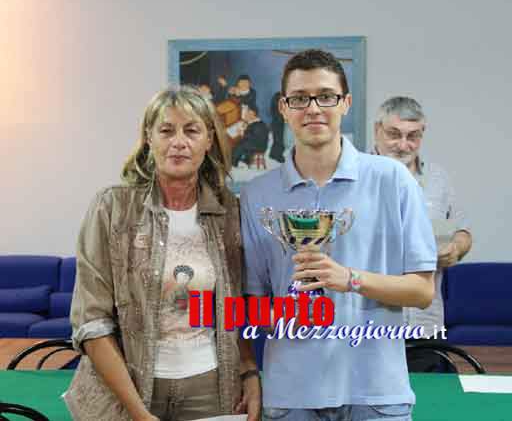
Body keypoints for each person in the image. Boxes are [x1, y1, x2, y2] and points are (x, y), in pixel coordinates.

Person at [240, 49, 437, 421]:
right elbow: (253, 304)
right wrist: (286, 312)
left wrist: (350, 279)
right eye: (300, 98)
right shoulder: (256, 195)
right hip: (291, 397)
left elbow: (422, 291)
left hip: (377, 394)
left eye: (326, 96)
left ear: (345, 103)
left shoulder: (392, 180)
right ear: (283, 108)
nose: (313, 108)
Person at [63, 86, 261, 421]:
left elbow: (234, 305)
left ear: (209, 140)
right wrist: (138, 412)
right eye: (167, 130)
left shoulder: (228, 210)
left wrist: (249, 371)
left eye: (192, 131)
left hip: (210, 388)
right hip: (129, 389)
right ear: (148, 137)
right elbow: (92, 323)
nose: (179, 142)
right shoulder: (112, 208)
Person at [373, 96, 472, 372]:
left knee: (426, 396)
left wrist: (457, 248)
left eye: (413, 136)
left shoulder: (438, 179)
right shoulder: (354, 176)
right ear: (377, 130)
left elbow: (463, 230)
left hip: (425, 325)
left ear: (422, 134)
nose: (403, 144)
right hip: (369, 326)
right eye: (394, 134)